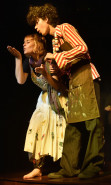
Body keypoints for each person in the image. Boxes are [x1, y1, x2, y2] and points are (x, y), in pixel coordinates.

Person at [26, 3, 104, 179]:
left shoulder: (64, 28)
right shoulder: (55, 42)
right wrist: (56, 71)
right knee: (73, 126)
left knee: (92, 124)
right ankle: (69, 168)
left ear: (46, 19)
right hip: (74, 82)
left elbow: (83, 48)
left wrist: (57, 57)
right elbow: (65, 63)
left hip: (87, 77)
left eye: (37, 22)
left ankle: (93, 165)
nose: (36, 28)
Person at [7, 33, 68, 179]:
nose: (24, 44)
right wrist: (18, 59)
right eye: (23, 42)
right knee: (35, 128)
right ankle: (37, 167)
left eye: (28, 41)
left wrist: (46, 75)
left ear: (37, 44)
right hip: (44, 98)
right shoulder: (29, 61)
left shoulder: (49, 57)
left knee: (62, 132)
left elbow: (58, 86)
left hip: (59, 98)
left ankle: (70, 165)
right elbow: (21, 80)